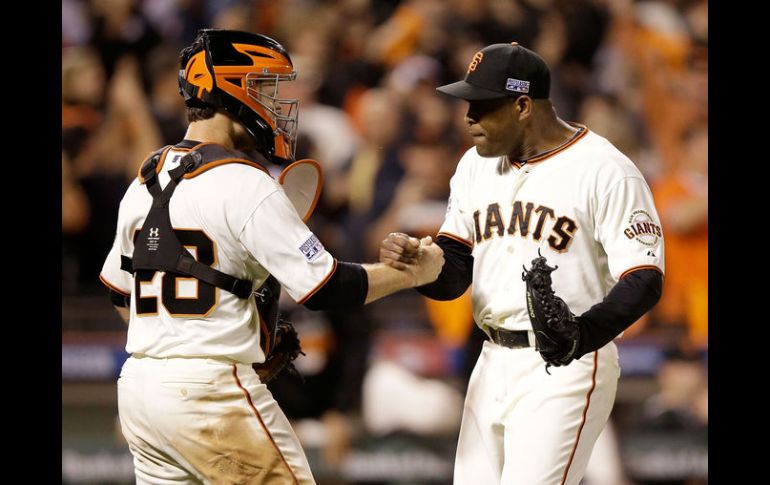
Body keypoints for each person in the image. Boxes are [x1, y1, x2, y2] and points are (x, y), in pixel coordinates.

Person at [99, 29, 443, 485]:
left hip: (141, 391)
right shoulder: (245, 180)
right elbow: (326, 288)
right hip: (211, 395)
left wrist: (182, 342)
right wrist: (414, 274)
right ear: (231, 89)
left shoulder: (143, 180)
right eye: (265, 86)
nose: (277, 101)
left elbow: (121, 295)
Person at [381, 42, 664, 485]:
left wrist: (582, 336)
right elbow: (455, 272)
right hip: (491, 358)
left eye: (482, 105)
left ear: (523, 105)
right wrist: (417, 266)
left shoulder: (605, 169)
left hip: (567, 366)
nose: (468, 117)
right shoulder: (474, 166)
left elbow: (644, 279)